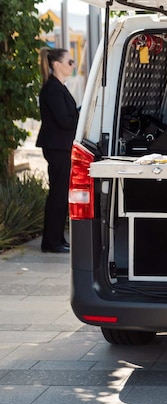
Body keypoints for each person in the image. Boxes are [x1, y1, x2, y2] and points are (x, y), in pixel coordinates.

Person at [36, 48, 79, 254]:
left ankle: (57, 239)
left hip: (61, 146)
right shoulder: (52, 89)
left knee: (60, 193)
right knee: (57, 194)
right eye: (70, 62)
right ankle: (52, 242)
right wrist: (80, 116)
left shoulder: (58, 87)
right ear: (56, 65)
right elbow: (64, 120)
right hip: (57, 147)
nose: (73, 65)